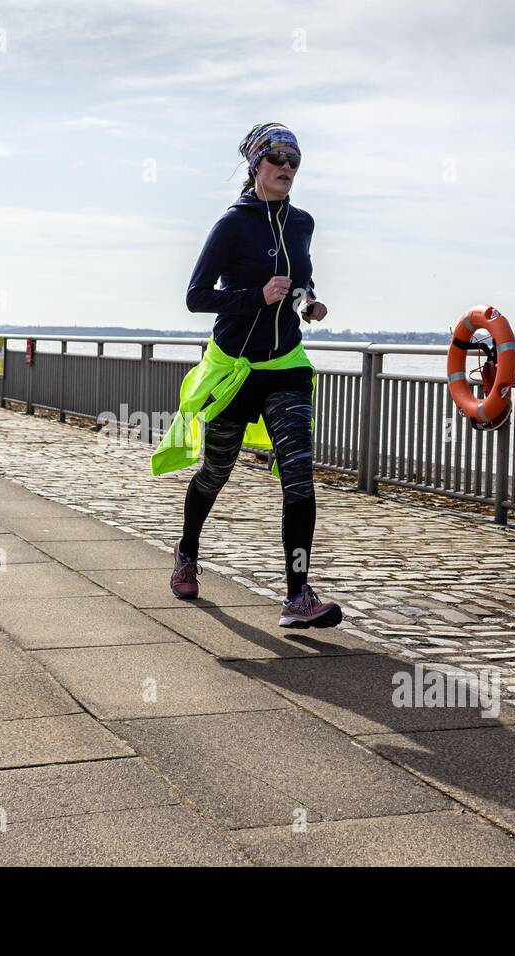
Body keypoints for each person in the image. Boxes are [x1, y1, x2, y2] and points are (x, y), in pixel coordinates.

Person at [152, 122, 340, 629]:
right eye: (276, 158)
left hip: (286, 367)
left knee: (299, 476)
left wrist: (307, 303)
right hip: (235, 369)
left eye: (294, 161)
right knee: (216, 472)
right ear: (256, 164)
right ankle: (187, 552)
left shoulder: (302, 223)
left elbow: (300, 279)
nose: (286, 168)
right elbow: (196, 296)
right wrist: (252, 298)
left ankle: (298, 596)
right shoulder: (232, 225)